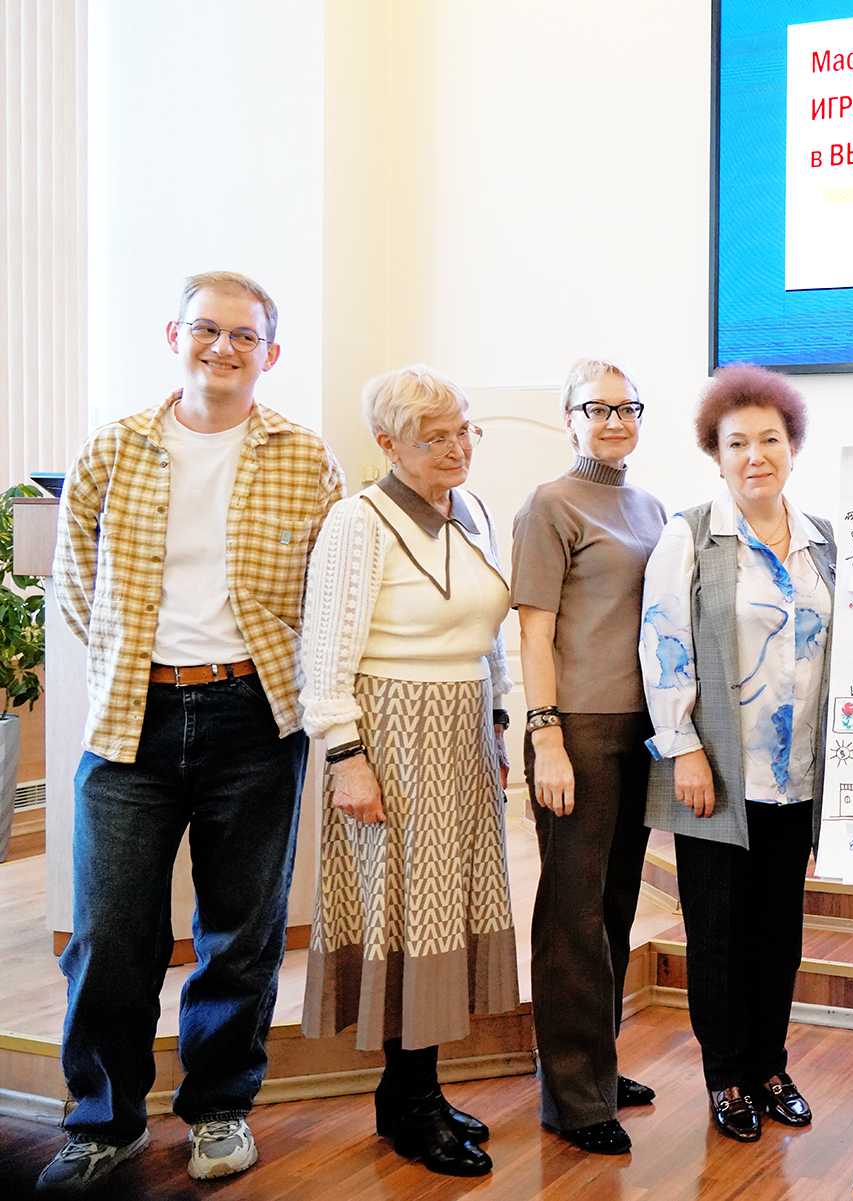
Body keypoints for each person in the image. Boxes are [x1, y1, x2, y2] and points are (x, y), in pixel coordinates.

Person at [41, 273, 343, 1196]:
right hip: (131, 719)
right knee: (109, 932)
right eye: (206, 328)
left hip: (255, 717)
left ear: (270, 352)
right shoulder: (113, 448)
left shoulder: (307, 458)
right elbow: (77, 584)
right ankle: (105, 1120)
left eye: (244, 335)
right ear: (174, 335)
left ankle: (218, 1108)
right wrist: (138, 663)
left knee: (241, 931)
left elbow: (327, 596)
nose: (223, 347)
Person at [298, 365, 516, 1178]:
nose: (458, 448)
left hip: (463, 731)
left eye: (465, 431)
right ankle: (413, 1101)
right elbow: (324, 653)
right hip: (392, 734)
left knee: (445, 911)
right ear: (388, 444)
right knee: (404, 914)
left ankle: (409, 1092)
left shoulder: (474, 510)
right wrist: (346, 757)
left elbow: (489, 631)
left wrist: (498, 723)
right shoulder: (358, 520)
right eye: (436, 437)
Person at [638, 364, 836, 1144]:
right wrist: (683, 747)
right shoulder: (689, 533)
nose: (756, 455)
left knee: (778, 935)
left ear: (792, 446)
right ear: (715, 455)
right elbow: (663, 645)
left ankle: (769, 1064)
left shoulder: (824, 541)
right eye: (738, 443)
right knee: (718, 935)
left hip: (798, 777)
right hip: (718, 774)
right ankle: (725, 1075)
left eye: (770, 440)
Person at [511, 358, 668, 1155]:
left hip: (640, 729)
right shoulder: (549, 504)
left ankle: (596, 1068)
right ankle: (572, 1097)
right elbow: (533, 631)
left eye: (627, 407)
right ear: (568, 417)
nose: (613, 420)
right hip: (575, 728)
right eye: (596, 408)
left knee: (612, 907)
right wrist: (546, 737)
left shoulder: (650, 505)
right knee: (571, 914)